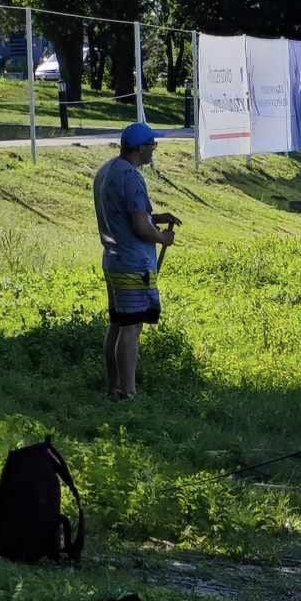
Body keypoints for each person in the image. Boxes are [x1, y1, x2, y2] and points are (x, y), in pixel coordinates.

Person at [93, 121, 177, 400]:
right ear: (140, 148)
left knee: (117, 323)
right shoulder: (131, 177)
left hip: (113, 259)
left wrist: (156, 217)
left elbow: (128, 215)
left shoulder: (107, 171)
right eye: (152, 144)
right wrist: (161, 238)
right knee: (131, 327)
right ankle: (127, 392)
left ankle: (113, 386)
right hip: (132, 265)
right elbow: (140, 228)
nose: (154, 149)